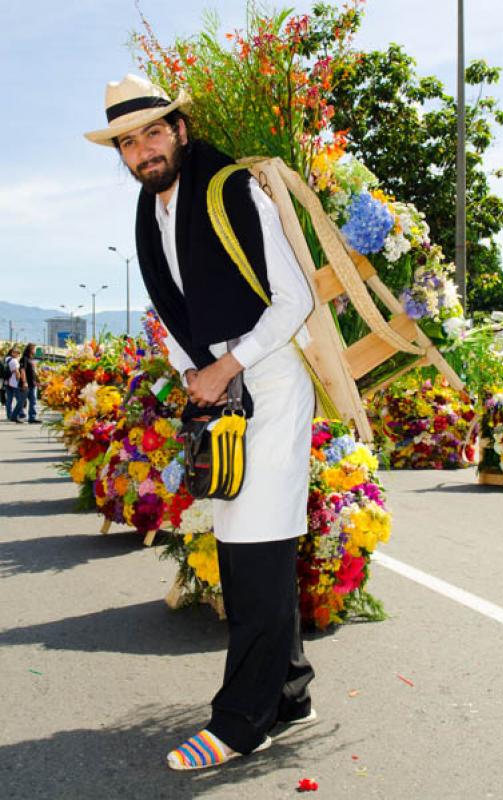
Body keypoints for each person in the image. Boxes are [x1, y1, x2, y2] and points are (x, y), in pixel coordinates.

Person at [85, 74, 317, 770]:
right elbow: (174, 308)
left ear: (181, 130)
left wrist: (226, 366)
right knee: (257, 545)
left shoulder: (231, 190)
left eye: (154, 131)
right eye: (129, 141)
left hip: (268, 381)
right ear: (123, 155)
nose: (144, 149)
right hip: (222, 389)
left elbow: (294, 300)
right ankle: (291, 691)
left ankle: (243, 723)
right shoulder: (149, 213)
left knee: (253, 555)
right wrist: (193, 371)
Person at [20, 343, 41, 423]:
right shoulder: (24, 359)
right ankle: (15, 415)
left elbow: (33, 373)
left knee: (33, 401)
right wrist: (24, 382)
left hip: (32, 384)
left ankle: (32, 418)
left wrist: (37, 382)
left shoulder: (31, 359)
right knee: (21, 401)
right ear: (30, 349)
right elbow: (22, 370)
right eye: (34, 349)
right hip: (27, 384)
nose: (35, 351)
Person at [5, 346, 26, 423]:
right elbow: (17, 372)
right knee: (19, 399)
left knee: (9, 399)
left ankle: (9, 414)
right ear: (12, 353)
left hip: (7, 382)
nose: (18, 354)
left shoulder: (6, 359)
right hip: (14, 382)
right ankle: (20, 413)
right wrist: (20, 380)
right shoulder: (14, 361)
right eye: (17, 353)